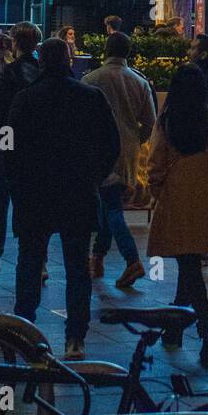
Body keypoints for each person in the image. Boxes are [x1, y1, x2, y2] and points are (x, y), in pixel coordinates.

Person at [6, 37, 119, 359]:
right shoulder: (91, 97)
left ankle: (24, 330)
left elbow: (8, 145)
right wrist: (94, 177)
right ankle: (75, 338)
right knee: (76, 268)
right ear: (69, 61)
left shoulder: (25, 99)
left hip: (34, 195)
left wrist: (17, 182)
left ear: (40, 62)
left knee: (29, 263)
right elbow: (111, 144)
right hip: (78, 193)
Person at [147, 63, 208, 366]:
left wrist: (158, 192)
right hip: (207, 199)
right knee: (189, 264)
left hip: (176, 199)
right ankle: (174, 328)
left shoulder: (168, 121)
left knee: (189, 266)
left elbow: (155, 165)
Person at [84, 31, 156, 287]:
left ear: (106, 49)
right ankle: (98, 258)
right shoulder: (139, 81)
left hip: (98, 150)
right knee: (109, 203)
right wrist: (137, 140)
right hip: (127, 151)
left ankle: (132, 260)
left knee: (111, 208)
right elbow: (150, 121)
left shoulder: (91, 79)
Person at [0, 22, 42, 273]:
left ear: (15, 42)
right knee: (31, 199)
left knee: (1, 197)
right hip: (34, 141)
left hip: (7, 136)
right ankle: (39, 258)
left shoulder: (8, 72)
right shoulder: (43, 71)